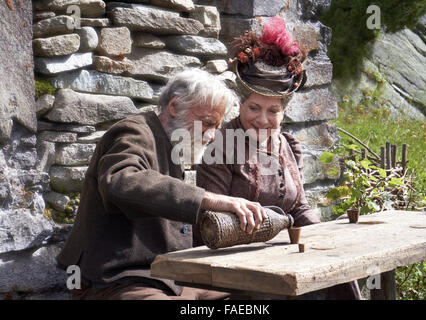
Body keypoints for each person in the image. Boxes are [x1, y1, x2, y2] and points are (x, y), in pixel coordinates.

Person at [56, 69, 268, 300]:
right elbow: (121, 180)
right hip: (112, 279)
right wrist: (209, 199)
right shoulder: (133, 132)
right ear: (175, 106)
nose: (210, 136)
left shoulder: (173, 143)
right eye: (207, 123)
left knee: (259, 291)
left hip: (164, 274)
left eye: (216, 127)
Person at [196, 17, 362, 300]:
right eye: (254, 108)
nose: (262, 119)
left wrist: (327, 240)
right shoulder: (222, 145)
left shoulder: (287, 145)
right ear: (241, 105)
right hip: (234, 266)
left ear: (284, 113)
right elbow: (211, 221)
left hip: (284, 259)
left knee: (339, 275)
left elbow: (298, 207)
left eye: (273, 111)